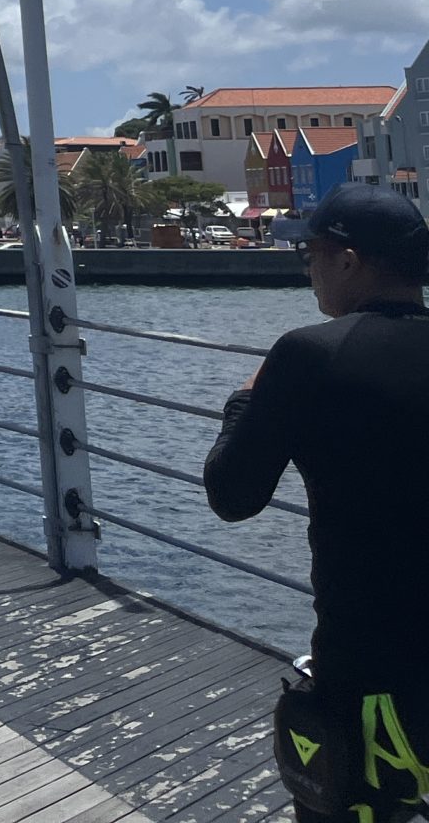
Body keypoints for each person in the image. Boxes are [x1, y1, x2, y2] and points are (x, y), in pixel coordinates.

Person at [204, 185, 429, 823]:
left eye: (312, 254)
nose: (306, 269)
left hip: (369, 666)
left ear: (350, 262)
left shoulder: (309, 353)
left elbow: (233, 495)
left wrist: (248, 397)